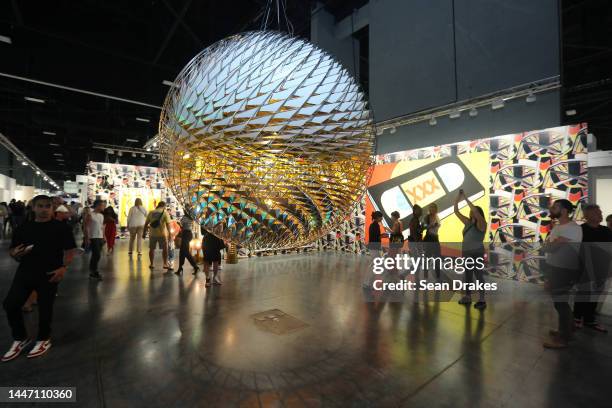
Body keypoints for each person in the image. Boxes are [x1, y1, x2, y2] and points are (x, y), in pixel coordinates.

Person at [2, 195, 76, 361]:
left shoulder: (61, 228)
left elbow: (70, 251)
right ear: (33, 208)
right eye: (40, 206)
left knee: (45, 308)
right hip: (25, 272)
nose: (44, 209)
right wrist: (15, 253)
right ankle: (20, 337)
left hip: (50, 274)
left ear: (52, 208)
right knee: (10, 304)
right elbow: (13, 251)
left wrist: (63, 268)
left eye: (47, 206)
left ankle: (43, 339)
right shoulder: (23, 228)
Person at [542, 199, 583, 349]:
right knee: (560, 302)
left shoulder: (571, 228)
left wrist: (548, 246)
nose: (552, 208)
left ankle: (563, 338)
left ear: (564, 210)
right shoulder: (561, 227)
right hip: (556, 268)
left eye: (555, 207)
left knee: (561, 303)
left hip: (564, 270)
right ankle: (566, 329)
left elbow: (551, 248)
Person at [574, 204, 611, 333]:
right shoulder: (580, 230)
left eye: (600, 212)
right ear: (587, 216)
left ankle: (589, 319)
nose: (600, 214)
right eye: (596, 212)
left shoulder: (606, 231)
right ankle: (577, 318)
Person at [454, 190, 487, 309]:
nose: (471, 212)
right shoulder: (468, 223)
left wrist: (466, 197)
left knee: (478, 275)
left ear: (478, 213)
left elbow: (475, 212)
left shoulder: (482, 223)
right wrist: (458, 199)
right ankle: (468, 297)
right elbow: (456, 212)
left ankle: (482, 299)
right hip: (467, 252)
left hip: (477, 253)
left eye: (474, 211)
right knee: (468, 275)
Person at [144, 201, 172, 270]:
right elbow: (168, 225)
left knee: (151, 249)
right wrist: (170, 234)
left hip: (152, 234)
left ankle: (152, 264)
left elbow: (146, 224)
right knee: (165, 249)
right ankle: (165, 264)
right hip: (162, 234)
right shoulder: (165, 213)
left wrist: (144, 233)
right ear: (164, 206)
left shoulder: (151, 212)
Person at [84, 200, 106, 280]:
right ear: (98, 205)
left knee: (97, 255)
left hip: (99, 237)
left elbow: (102, 227)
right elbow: (86, 227)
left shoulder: (101, 215)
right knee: (96, 255)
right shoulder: (90, 215)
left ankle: (94, 271)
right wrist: (87, 238)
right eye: (102, 205)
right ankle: (93, 271)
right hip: (93, 237)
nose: (104, 207)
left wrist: (104, 237)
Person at [175, 211, 199, 276]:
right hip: (187, 234)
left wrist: (179, 223)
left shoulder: (186, 217)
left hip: (186, 234)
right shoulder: (191, 217)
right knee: (182, 252)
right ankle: (180, 268)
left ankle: (195, 266)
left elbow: (182, 225)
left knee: (185, 252)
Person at [423, 203, 442, 280]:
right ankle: (425, 276)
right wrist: (431, 225)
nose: (432, 209)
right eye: (431, 207)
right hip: (429, 238)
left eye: (433, 207)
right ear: (429, 209)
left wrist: (435, 225)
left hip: (436, 238)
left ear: (436, 208)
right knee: (428, 258)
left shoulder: (437, 216)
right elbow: (423, 227)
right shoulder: (427, 217)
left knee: (437, 258)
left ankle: (438, 276)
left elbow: (438, 226)